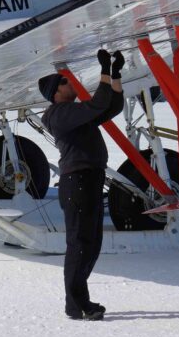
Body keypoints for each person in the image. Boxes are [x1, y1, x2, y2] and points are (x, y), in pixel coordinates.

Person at [38, 49, 125, 321]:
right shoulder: (59, 114)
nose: (70, 83)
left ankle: (81, 300)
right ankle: (75, 305)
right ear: (55, 92)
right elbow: (97, 104)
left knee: (92, 243)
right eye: (64, 82)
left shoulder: (74, 114)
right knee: (79, 244)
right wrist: (103, 72)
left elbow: (111, 107)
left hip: (89, 180)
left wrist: (115, 75)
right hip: (77, 182)